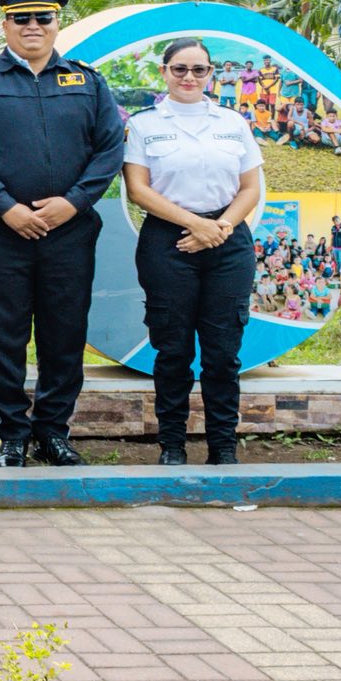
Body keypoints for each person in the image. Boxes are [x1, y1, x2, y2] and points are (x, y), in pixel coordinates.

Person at [0, 0, 126, 467]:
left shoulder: (87, 82)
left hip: (69, 231)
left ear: (56, 23)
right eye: (21, 18)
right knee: (1, 334)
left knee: (63, 334)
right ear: (5, 25)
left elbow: (110, 149)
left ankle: (53, 432)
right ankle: (12, 434)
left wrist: (73, 203)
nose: (32, 26)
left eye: (42, 18)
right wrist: (6, 208)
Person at [121, 38, 264, 466]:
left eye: (199, 69)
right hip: (168, 241)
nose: (189, 77)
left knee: (223, 354)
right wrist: (195, 224)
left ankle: (223, 447)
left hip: (227, 240)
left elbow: (250, 188)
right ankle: (172, 446)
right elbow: (138, 189)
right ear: (164, 71)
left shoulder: (232, 122)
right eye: (179, 68)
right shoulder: (144, 125)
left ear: (210, 74)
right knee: (173, 351)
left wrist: (217, 228)